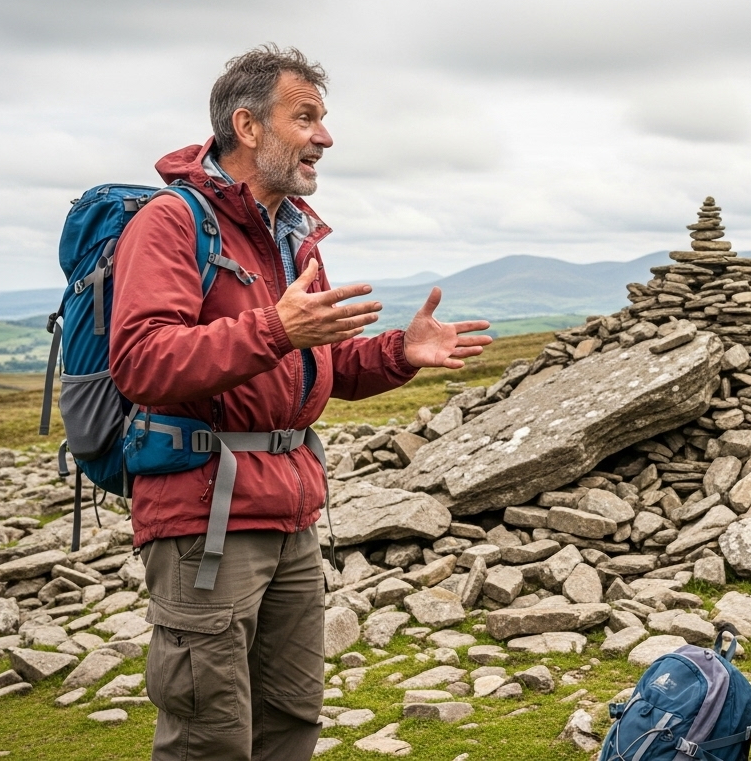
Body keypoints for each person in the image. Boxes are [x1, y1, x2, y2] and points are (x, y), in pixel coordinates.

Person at [109, 45, 492, 760]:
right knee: (209, 734)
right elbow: (142, 361)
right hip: (205, 516)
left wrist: (397, 354)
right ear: (248, 125)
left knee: (291, 718)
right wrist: (275, 329)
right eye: (306, 118)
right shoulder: (170, 223)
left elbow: (310, 364)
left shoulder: (290, 233)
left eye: (323, 119)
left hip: (290, 513)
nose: (326, 137)